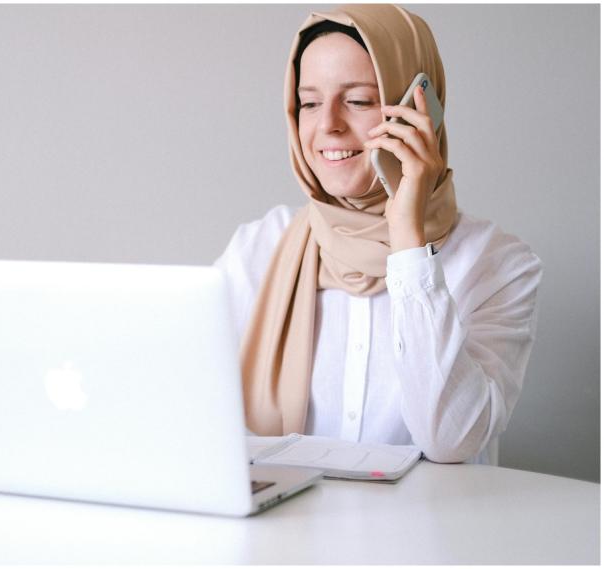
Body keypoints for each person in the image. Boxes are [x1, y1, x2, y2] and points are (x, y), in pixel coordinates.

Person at [214, 4, 543, 464]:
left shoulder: (499, 264)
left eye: (359, 100)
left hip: (432, 536)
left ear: (419, 109)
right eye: (309, 102)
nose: (327, 123)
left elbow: (452, 440)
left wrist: (407, 236)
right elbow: (183, 404)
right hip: (285, 534)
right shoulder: (258, 248)